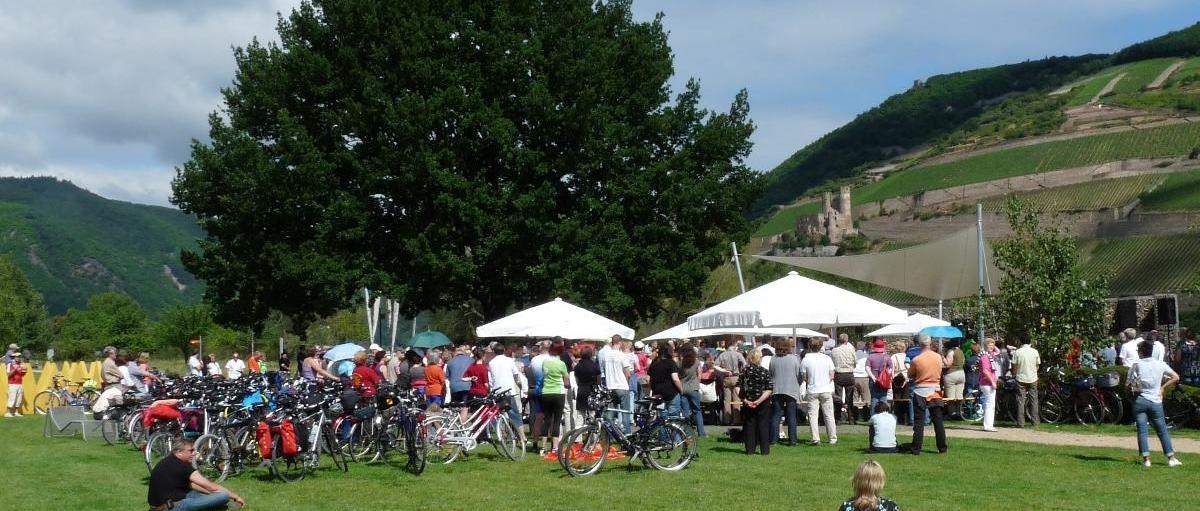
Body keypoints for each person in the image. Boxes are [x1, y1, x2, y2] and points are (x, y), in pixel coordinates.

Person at [147, 438, 246, 511]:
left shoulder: (167, 461)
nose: (194, 453)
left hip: (157, 507)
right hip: (172, 508)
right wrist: (235, 496)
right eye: (191, 451)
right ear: (179, 452)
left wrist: (212, 495)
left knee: (194, 493)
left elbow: (193, 485)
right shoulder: (183, 466)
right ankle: (227, 505)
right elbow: (212, 487)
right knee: (223, 496)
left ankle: (220, 506)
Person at [1129, 339, 1183, 467]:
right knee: (1162, 430)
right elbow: (1176, 377)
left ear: (1142, 352)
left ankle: (1146, 460)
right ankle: (1171, 458)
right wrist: (1163, 387)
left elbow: (1128, 384)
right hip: (1155, 400)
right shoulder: (1160, 364)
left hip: (1140, 400)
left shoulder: (1136, 365)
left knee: (1142, 430)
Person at [908, 334, 947, 455]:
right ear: (930, 343)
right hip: (935, 390)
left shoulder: (916, 360)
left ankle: (916, 448)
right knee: (938, 420)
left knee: (919, 421)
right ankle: (942, 447)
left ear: (919, 344)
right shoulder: (938, 357)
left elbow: (910, 374)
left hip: (920, 390)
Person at [801, 337, 837, 445]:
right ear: (821, 346)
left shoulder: (806, 359)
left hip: (812, 389)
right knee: (829, 415)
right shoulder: (827, 358)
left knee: (813, 415)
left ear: (809, 346)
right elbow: (832, 375)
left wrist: (811, 381)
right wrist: (825, 381)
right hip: (825, 389)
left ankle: (815, 438)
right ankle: (832, 438)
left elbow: (804, 376)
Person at [738, 348, 774, 455]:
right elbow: (769, 389)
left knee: (749, 425)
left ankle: (750, 450)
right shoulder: (764, 371)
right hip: (762, 401)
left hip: (748, 400)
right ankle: (764, 450)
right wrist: (759, 401)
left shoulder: (744, 371)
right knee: (763, 425)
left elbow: (737, 387)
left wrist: (745, 400)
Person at [538, 342, 570, 456]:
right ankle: (555, 447)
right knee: (556, 420)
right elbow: (566, 380)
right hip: (558, 393)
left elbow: (544, 374)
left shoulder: (545, 362)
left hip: (546, 392)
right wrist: (568, 385)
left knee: (546, 419)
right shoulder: (561, 364)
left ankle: (543, 447)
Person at [488, 344, 525, 442]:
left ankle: (503, 435)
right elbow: (516, 375)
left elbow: (491, 378)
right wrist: (520, 385)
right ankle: (522, 437)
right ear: (504, 350)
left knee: (499, 414)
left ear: (494, 351)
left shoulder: (491, 362)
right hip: (509, 390)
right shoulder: (509, 361)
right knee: (515, 415)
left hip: (497, 391)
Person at [769, 338, 802, 445]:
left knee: (776, 415)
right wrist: (798, 383)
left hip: (777, 389)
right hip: (791, 389)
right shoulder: (794, 359)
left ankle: (773, 439)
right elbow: (799, 375)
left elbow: (771, 373)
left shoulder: (773, 359)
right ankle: (793, 440)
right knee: (791, 415)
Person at [598, 335, 634, 433]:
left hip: (610, 386)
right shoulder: (621, 355)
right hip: (622, 386)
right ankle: (627, 434)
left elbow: (604, 370)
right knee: (625, 412)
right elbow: (627, 373)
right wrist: (626, 383)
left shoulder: (606, 355)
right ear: (620, 342)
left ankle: (609, 435)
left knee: (610, 413)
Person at [1011, 335, 1041, 428]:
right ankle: (1035, 421)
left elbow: (1014, 366)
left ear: (1020, 342)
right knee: (1034, 399)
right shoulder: (1035, 351)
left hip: (1021, 377)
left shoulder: (1017, 352)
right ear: (1030, 342)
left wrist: (1015, 374)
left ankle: (1020, 422)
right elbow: (1037, 365)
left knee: (1021, 400)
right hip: (1033, 377)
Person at [714, 338, 746, 423]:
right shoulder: (738, 354)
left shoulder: (722, 355)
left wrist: (724, 371)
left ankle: (727, 420)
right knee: (737, 400)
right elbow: (745, 364)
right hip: (736, 377)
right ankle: (736, 420)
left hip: (726, 378)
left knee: (726, 400)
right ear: (734, 345)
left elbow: (715, 366)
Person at [678, 343, 707, 437]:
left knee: (685, 412)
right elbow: (699, 375)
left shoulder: (679, 363)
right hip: (694, 388)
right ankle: (701, 433)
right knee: (697, 411)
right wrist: (697, 383)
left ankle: (686, 433)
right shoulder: (697, 362)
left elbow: (678, 376)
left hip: (683, 388)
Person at [648, 341, 683, 416]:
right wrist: (681, 390)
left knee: (662, 418)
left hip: (658, 394)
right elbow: (675, 379)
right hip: (671, 393)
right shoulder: (671, 362)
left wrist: (653, 389)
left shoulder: (653, 363)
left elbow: (649, 380)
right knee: (673, 418)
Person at [831, 334, 857, 424]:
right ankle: (851, 418)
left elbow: (832, 363)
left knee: (838, 397)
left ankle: (838, 418)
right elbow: (855, 361)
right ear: (847, 340)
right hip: (849, 374)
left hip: (839, 374)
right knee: (849, 398)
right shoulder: (851, 349)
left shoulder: (834, 350)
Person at [865, 339, 893, 417]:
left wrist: (873, 376)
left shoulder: (870, 357)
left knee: (874, 399)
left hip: (873, 381)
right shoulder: (887, 357)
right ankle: (884, 416)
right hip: (884, 381)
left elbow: (867, 368)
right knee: (883, 398)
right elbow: (891, 368)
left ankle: (873, 417)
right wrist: (886, 375)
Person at [573, 344, 602, 416]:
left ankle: (580, 427)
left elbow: (576, 379)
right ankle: (591, 427)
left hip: (581, 390)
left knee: (580, 414)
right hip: (592, 390)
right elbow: (599, 380)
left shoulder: (578, 366)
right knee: (592, 413)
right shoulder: (594, 365)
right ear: (591, 354)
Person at [942, 339, 966, 419]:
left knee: (950, 396)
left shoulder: (951, 352)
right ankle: (960, 413)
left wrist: (943, 357)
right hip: (961, 374)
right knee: (959, 395)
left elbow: (948, 364)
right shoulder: (961, 351)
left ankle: (952, 413)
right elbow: (963, 362)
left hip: (951, 374)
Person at [979, 338, 999, 432]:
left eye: (992, 345)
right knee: (989, 404)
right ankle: (987, 425)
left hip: (988, 382)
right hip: (987, 383)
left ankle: (989, 424)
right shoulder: (985, 356)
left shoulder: (989, 355)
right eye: (989, 345)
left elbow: (997, 351)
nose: (991, 347)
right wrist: (993, 382)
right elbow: (985, 371)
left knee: (991, 404)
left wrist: (993, 346)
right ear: (985, 345)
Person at [6, 351, 26, 417]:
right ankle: (8, 413)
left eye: (19, 357)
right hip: (12, 383)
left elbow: (22, 375)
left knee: (19, 398)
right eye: (17, 357)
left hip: (20, 383)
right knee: (12, 398)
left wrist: (24, 371)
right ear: (14, 357)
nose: (18, 358)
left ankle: (16, 412)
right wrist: (15, 369)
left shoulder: (20, 364)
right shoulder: (10, 364)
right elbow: (8, 375)